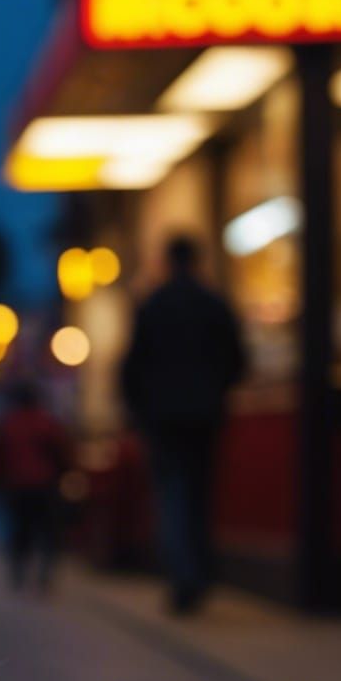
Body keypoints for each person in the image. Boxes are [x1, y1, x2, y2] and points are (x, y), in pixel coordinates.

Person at [120, 234, 247, 614]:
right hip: (204, 415)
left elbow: (132, 368)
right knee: (199, 494)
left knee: (172, 495)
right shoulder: (214, 304)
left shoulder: (153, 305)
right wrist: (215, 391)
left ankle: (182, 575)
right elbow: (238, 360)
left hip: (162, 418)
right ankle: (197, 573)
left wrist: (141, 409)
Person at [0, 382, 72, 592]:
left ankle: (19, 572)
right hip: (44, 485)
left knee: (20, 531)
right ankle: (44, 575)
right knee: (46, 532)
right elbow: (61, 452)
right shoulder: (47, 422)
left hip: (17, 485)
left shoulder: (9, 423)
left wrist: (0, 480)